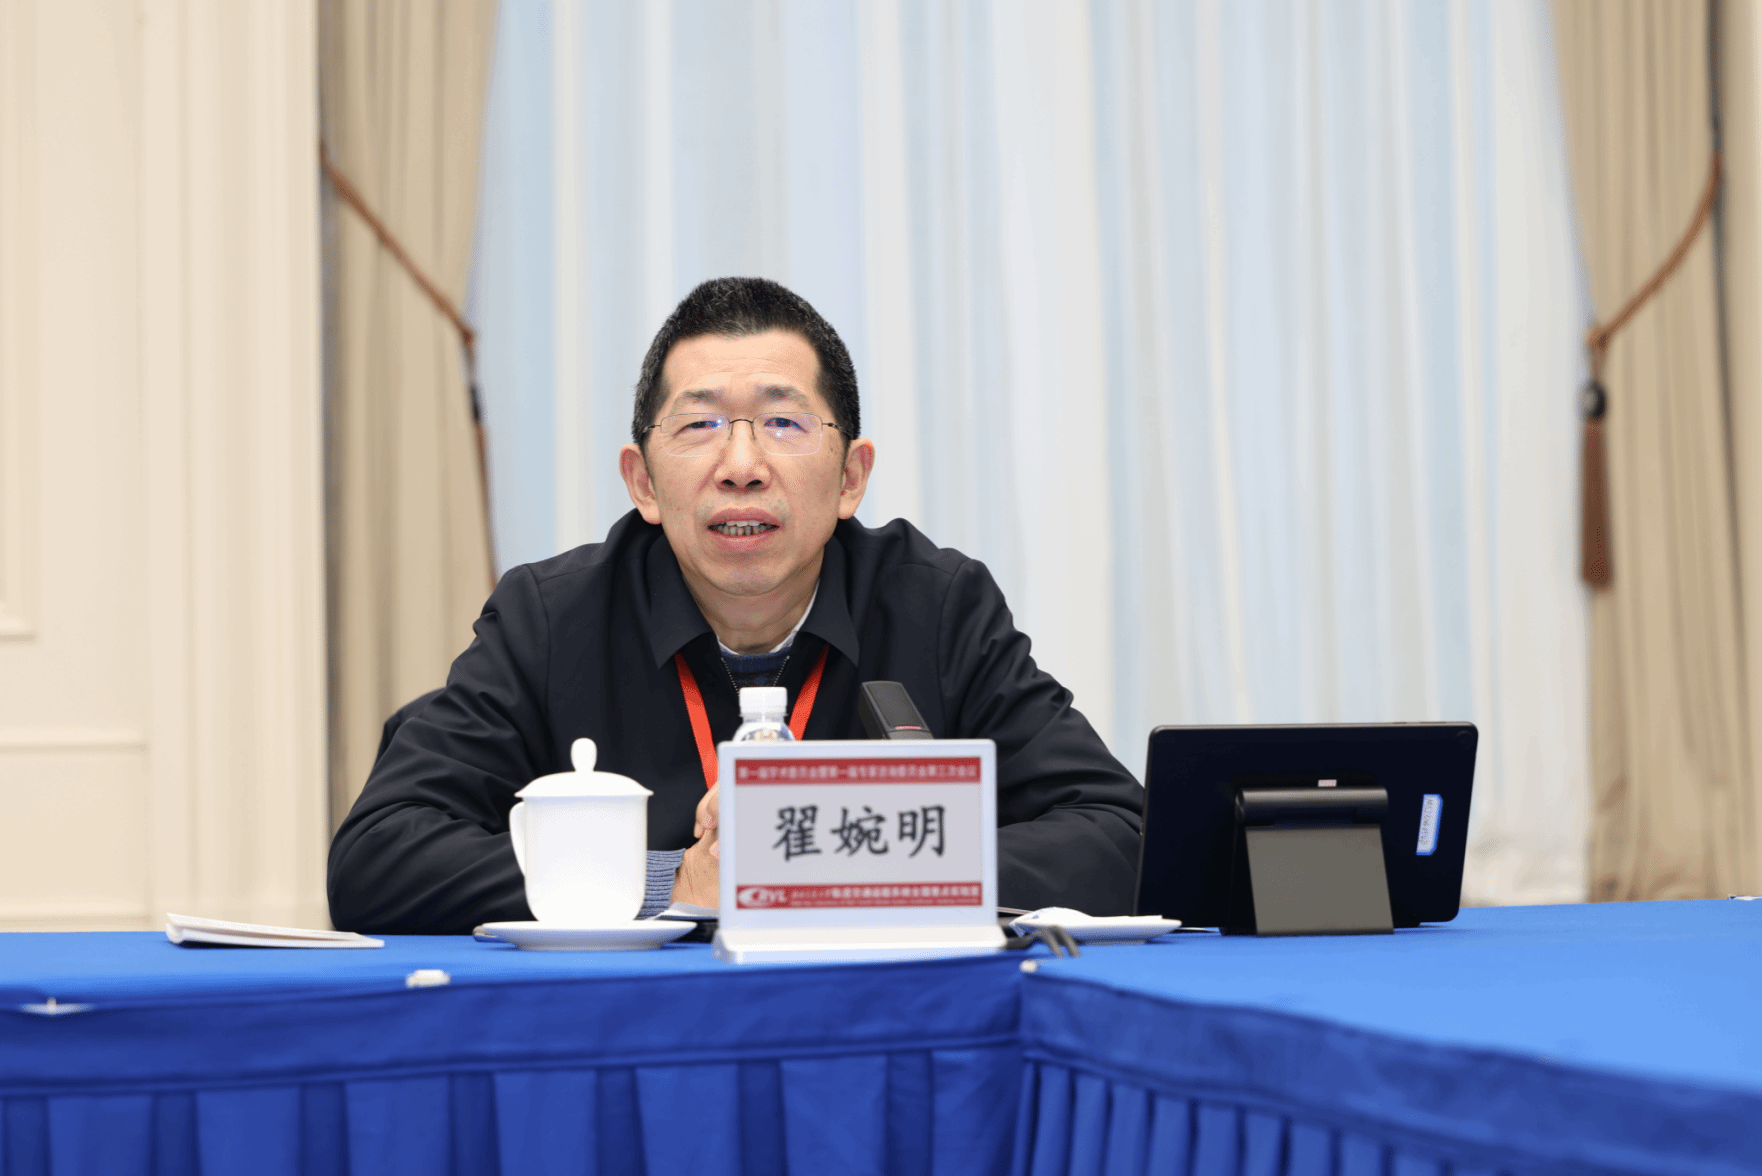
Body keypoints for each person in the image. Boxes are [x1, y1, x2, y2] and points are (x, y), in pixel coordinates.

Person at [329, 277, 1142, 934]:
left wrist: (831, 860)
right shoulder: (552, 619)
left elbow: (1119, 834)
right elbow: (378, 858)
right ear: (643, 483)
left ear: (851, 477)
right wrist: (667, 883)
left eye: (784, 421)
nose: (742, 464)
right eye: (700, 425)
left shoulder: (935, 607)